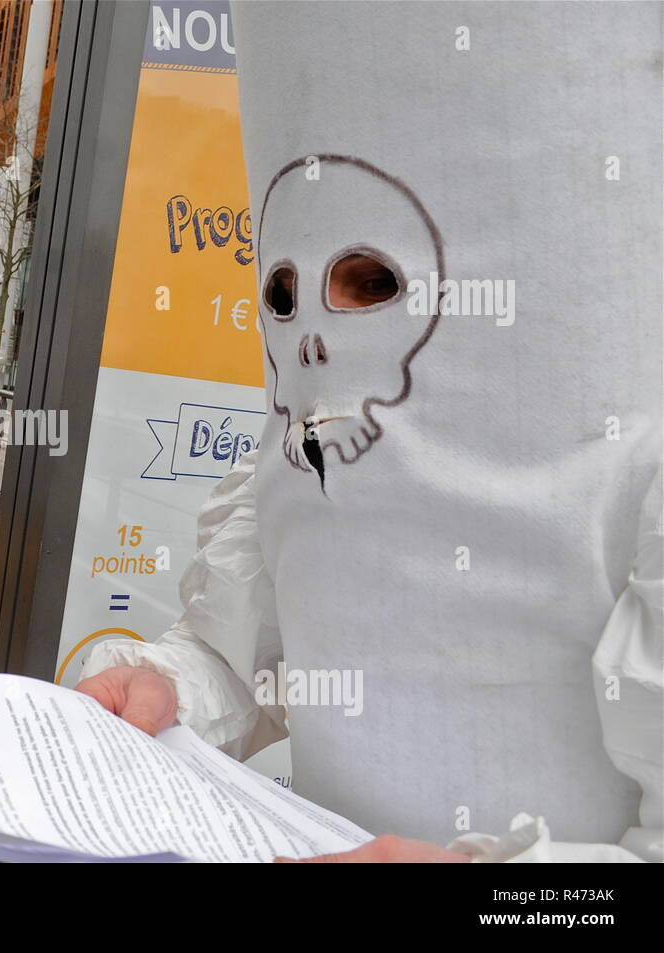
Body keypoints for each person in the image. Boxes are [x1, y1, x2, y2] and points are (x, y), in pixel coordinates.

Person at [77, 1, 660, 863]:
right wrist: (169, 689)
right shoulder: (305, 441)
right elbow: (247, 654)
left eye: (372, 282)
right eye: (287, 290)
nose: (322, 330)